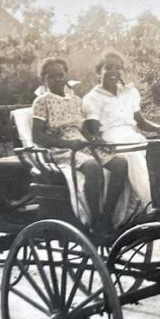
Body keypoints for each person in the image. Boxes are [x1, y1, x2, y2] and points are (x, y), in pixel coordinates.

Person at [82, 50, 160, 234]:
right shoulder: (92, 98)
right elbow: (94, 131)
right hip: (110, 137)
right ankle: (148, 207)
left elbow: (140, 123)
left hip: (131, 135)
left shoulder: (130, 93)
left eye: (118, 68)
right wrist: (101, 143)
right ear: (98, 71)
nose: (113, 72)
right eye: (108, 67)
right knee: (133, 155)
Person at [30, 57, 107, 227]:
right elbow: (37, 136)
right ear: (44, 80)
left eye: (60, 75)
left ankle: (113, 214)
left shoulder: (75, 101)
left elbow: (82, 129)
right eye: (51, 77)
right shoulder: (42, 102)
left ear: (66, 76)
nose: (57, 80)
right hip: (59, 150)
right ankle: (96, 219)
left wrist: (94, 139)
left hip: (81, 146)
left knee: (118, 163)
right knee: (93, 167)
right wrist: (68, 145)